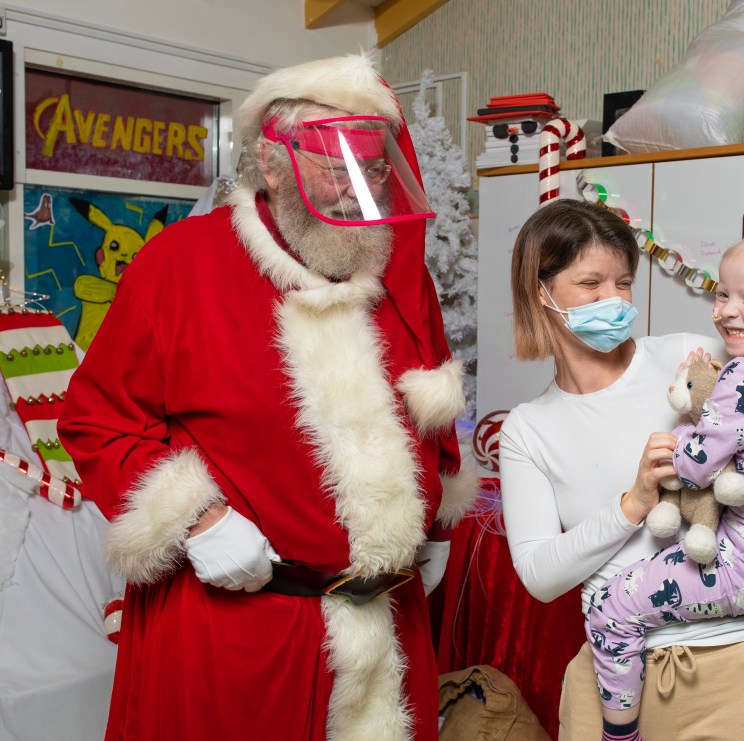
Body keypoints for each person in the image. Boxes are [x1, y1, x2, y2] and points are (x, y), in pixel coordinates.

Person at [58, 53, 477, 741]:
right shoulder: (179, 265)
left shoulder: (400, 271)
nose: (357, 188)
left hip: (382, 631)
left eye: (372, 167)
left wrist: (430, 524)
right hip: (234, 634)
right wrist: (196, 518)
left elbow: (427, 411)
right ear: (272, 161)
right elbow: (95, 418)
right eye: (333, 163)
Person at [499, 199, 744, 741]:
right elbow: (539, 576)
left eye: (624, 282)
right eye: (591, 284)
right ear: (541, 290)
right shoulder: (528, 428)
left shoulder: (691, 355)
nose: (614, 299)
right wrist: (632, 504)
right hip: (612, 676)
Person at [587, 222, 744, 741]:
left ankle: (620, 734)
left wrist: (681, 426)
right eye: (723, 292)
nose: (726, 310)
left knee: (609, 608)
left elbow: (694, 466)